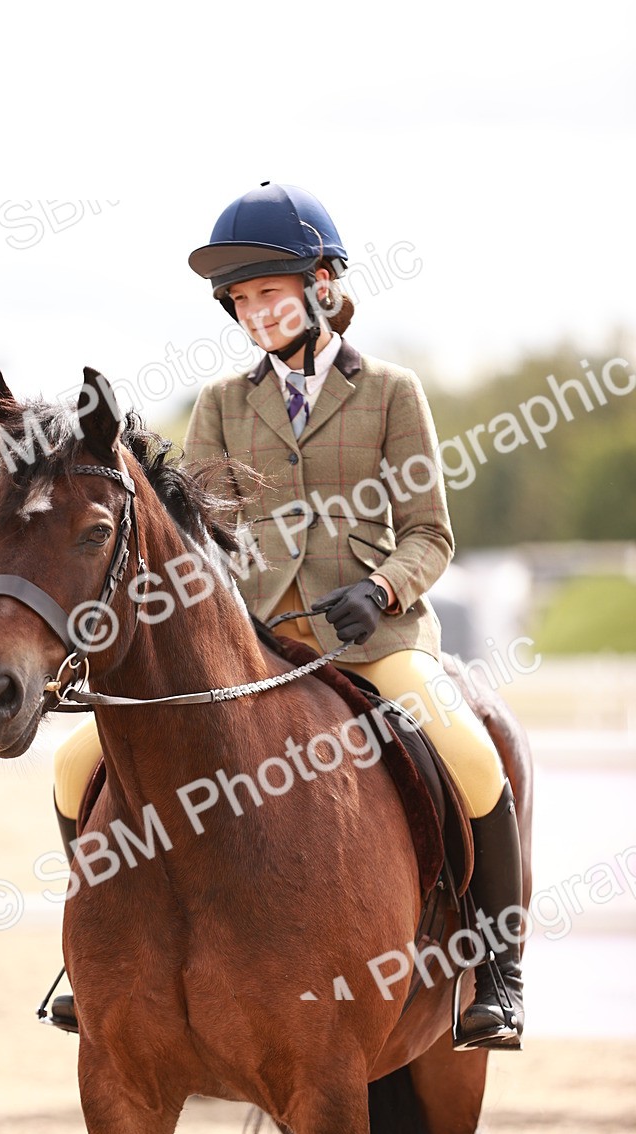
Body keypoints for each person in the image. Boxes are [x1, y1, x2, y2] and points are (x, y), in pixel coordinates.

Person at [48, 182, 524, 1051]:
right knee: (80, 760)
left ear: (325, 284)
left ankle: (495, 971)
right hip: (257, 644)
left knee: (471, 754)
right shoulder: (224, 406)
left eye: (268, 292)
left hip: (374, 640)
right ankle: (91, 960)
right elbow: (190, 536)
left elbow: (431, 534)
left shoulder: (390, 392)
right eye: (240, 300)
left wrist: (379, 589)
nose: (255, 313)